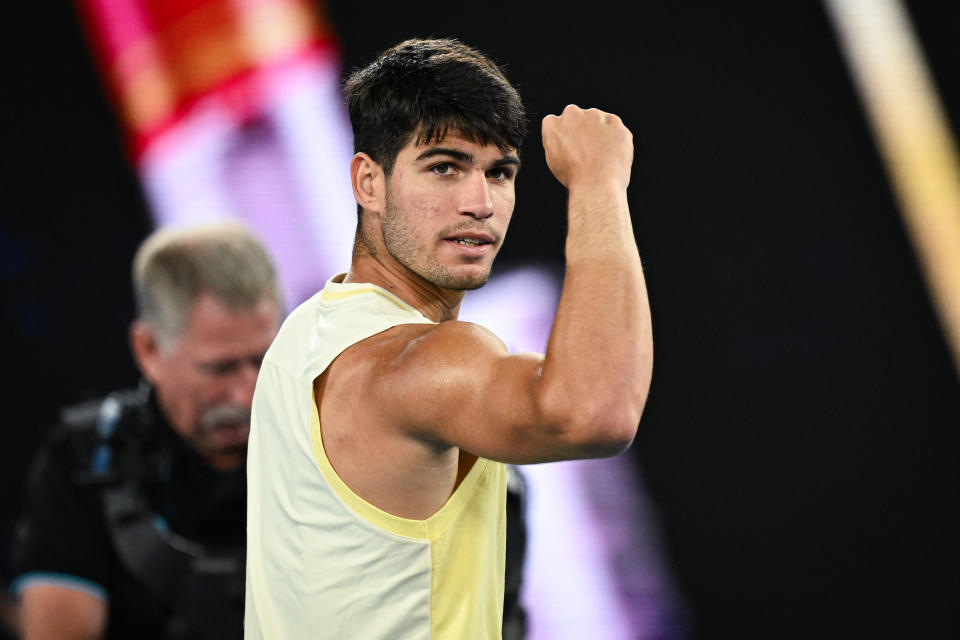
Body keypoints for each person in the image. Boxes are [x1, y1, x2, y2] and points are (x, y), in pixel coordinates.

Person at [244, 36, 652, 640]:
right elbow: (595, 411)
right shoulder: (420, 360)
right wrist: (599, 183)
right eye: (444, 168)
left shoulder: (301, 337)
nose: (480, 202)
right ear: (368, 183)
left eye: (500, 173)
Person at [8, 221, 283, 639]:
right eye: (219, 368)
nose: (246, 394)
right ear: (148, 349)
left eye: (263, 359)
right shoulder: (88, 460)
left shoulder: (337, 444)